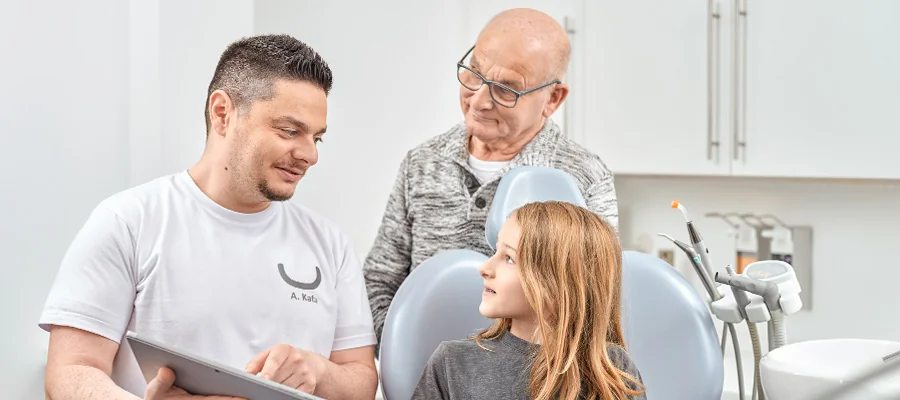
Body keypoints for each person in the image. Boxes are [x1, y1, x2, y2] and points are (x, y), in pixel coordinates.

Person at [39, 34, 377, 400]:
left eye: (317, 138)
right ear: (222, 113)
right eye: (289, 131)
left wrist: (318, 372)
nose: (310, 155)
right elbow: (70, 371)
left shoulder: (330, 243)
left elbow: (362, 380)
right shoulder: (128, 222)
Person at [363, 8, 619, 348]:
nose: (479, 101)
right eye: (474, 73)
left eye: (506, 89)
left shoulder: (583, 178)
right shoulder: (422, 164)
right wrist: (410, 353)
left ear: (553, 99)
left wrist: (494, 368)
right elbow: (378, 282)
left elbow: (596, 308)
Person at [411, 201, 645, 400]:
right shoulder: (452, 363)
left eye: (509, 258)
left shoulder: (614, 369)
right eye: (495, 252)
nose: (485, 268)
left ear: (560, 281)